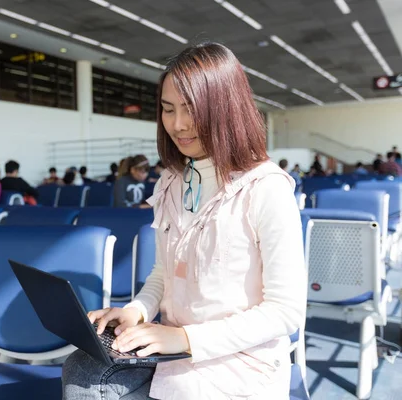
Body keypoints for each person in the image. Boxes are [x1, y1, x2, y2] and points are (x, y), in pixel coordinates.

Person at [63, 43, 306, 400]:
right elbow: (164, 273)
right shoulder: (172, 182)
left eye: (191, 110)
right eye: (167, 109)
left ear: (225, 109)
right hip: (173, 350)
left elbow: (286, 312)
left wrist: (186, 338)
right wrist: (136, 312)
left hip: (237, 362)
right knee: (83, 369)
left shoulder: (265, 188)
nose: (178, 125)